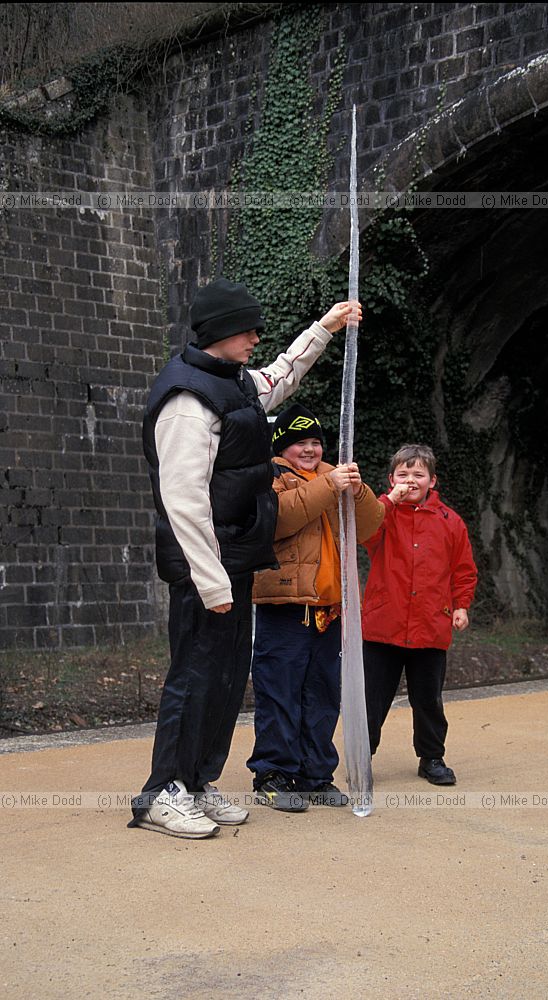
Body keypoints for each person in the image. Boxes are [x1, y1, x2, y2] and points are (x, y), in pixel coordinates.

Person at [129, 277, 359, 838]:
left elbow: (281, 376)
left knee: (228, 679)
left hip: (235, 560)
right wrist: (212, 585)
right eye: (248, 328)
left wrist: (325, 329)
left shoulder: (232, 382)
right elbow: (182, 502)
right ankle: (162, 792)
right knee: (193, 676)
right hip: (203, 568)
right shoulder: (187, 400)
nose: (257, 336)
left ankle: (199, 782)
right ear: (221, 331)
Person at [247, 402, 384, 811]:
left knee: (323, 695)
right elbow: (279, 520)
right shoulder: (268, 476)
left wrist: (358, 491)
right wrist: (332, 485)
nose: (309, 450)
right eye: (299, 442)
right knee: (279, 693)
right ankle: (273, 774)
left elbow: (372, 523)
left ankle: (315, 775)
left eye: (315, 442)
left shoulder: (336, 478)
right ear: (281, 445)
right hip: (286, 604)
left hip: (331, 608)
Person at [362, 443, 477, 786]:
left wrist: (461, 605)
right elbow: (364, 531)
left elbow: (463, 569)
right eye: (403, 474)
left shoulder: (450, 522)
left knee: (428, 698)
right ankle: (361, 757)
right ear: (391, 479)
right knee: (373, 698)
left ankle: (432, 757)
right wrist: (388, 501)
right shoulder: (382, 513)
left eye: (418, 474)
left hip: (430, 623)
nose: (410, 480)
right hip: (383, 624)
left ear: (432, 480)